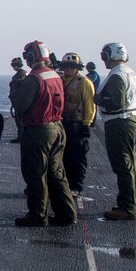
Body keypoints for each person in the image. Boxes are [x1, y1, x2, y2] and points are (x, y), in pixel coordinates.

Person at [9, 41, 76, 227]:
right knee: (56, 173)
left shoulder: (34, 78)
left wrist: (16, 90)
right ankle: (67, 213)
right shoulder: (55, 75)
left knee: (36, 173)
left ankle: (37, 214)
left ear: (31, 57)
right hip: (57, 128)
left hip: (39, 130)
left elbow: (20, 105)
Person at [94, 42, 136, 220]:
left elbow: (116, 102)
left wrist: (97, 98)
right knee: (132, 166)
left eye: (104, 55)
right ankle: (134, 204)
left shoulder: (117, 76)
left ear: (110, 56)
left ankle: (127, 207)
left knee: (122, 166)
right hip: (132, 120)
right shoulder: (131, 73)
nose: (104, 60)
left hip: (119, 123)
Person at [59, 53, 96, 195]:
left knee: (78, 158)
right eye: (67, 66)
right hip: (63, 123)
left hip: (78, 124)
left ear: (78, 68)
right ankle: (66, 184)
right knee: (64, 156)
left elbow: (90, 104)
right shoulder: (60, 81)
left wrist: (87, 124)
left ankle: (77, 186)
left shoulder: (84, 82)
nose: (69, 69)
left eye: (73, 67)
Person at [8, 57, 28, 143]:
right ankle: (21, 136)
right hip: (17, 101)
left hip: (20, 101)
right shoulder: (19, 74)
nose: (13, 67)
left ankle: (22, 137)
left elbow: (18, 85)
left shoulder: (22, 74)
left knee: (20, 121)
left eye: (14, 65)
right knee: (18, 120)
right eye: (13, 65)